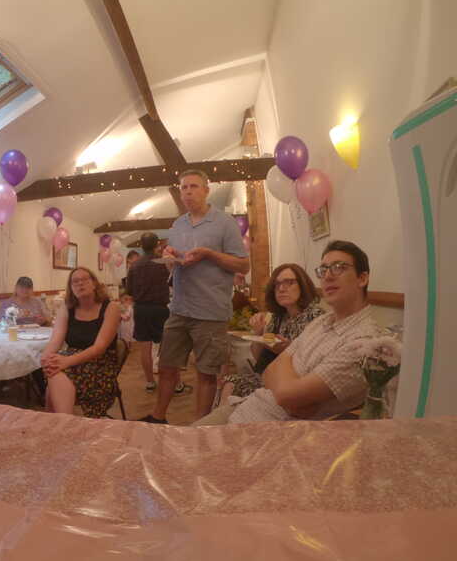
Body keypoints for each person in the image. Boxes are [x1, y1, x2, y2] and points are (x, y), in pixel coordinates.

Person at [194, 240, 382, 425]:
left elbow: (287, 393)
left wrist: (285, 381)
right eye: (323, 270)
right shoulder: (316, 321)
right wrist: (265, 343)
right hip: (251, 405)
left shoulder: (363, 342)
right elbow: (267, 369)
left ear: (362, 278)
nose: (327, 276)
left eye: (339, 267)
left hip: (268, 426)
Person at [140, 170, 249, 424]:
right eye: (184, 187)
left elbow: (243, 266)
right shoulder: (178, 225)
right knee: (167, 365)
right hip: (179, 308)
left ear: (206, 190)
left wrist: (209, 254)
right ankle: (158, 417)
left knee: (206, 372)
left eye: (194, 186)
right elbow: (175, 261)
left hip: (211, 312)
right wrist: (171, 256)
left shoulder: (224, 222)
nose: (188, 191)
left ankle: (200, 426)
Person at [220, 264, 324, 402]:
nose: (281, 288)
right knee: (229, 382)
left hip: (294, 383)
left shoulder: (315, 316)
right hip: (269, 376)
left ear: (303, 285)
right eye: (277, 284)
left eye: (289, 282)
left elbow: (314, 363)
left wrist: (288, 350)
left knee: (232, 385)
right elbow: (259, 358)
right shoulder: (278, 316)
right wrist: (258, 333)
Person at [40, 267, 121, 418]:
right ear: (71, 288)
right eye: (75, 281)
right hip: (71, 361)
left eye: (84, 279)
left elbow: (99, 348)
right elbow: (55, 340)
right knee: (53, 368)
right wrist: (46, 357)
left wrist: (66, 361)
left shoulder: (111, 308)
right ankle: (63, 422)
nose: (80, 283)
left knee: (55, 374)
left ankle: (62, 422)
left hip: (100, 364)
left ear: (94, 283)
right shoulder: (67, 308)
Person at [126, 232, 172, 393]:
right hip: (160, 309)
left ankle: (150, 382)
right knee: (167, 348)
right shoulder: (163, 263)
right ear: (157, 244)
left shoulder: (134, 266)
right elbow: (173, 283)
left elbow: (129, 291)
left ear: (141, 245)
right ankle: (174, 383)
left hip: (141, 309)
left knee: (145, 348)